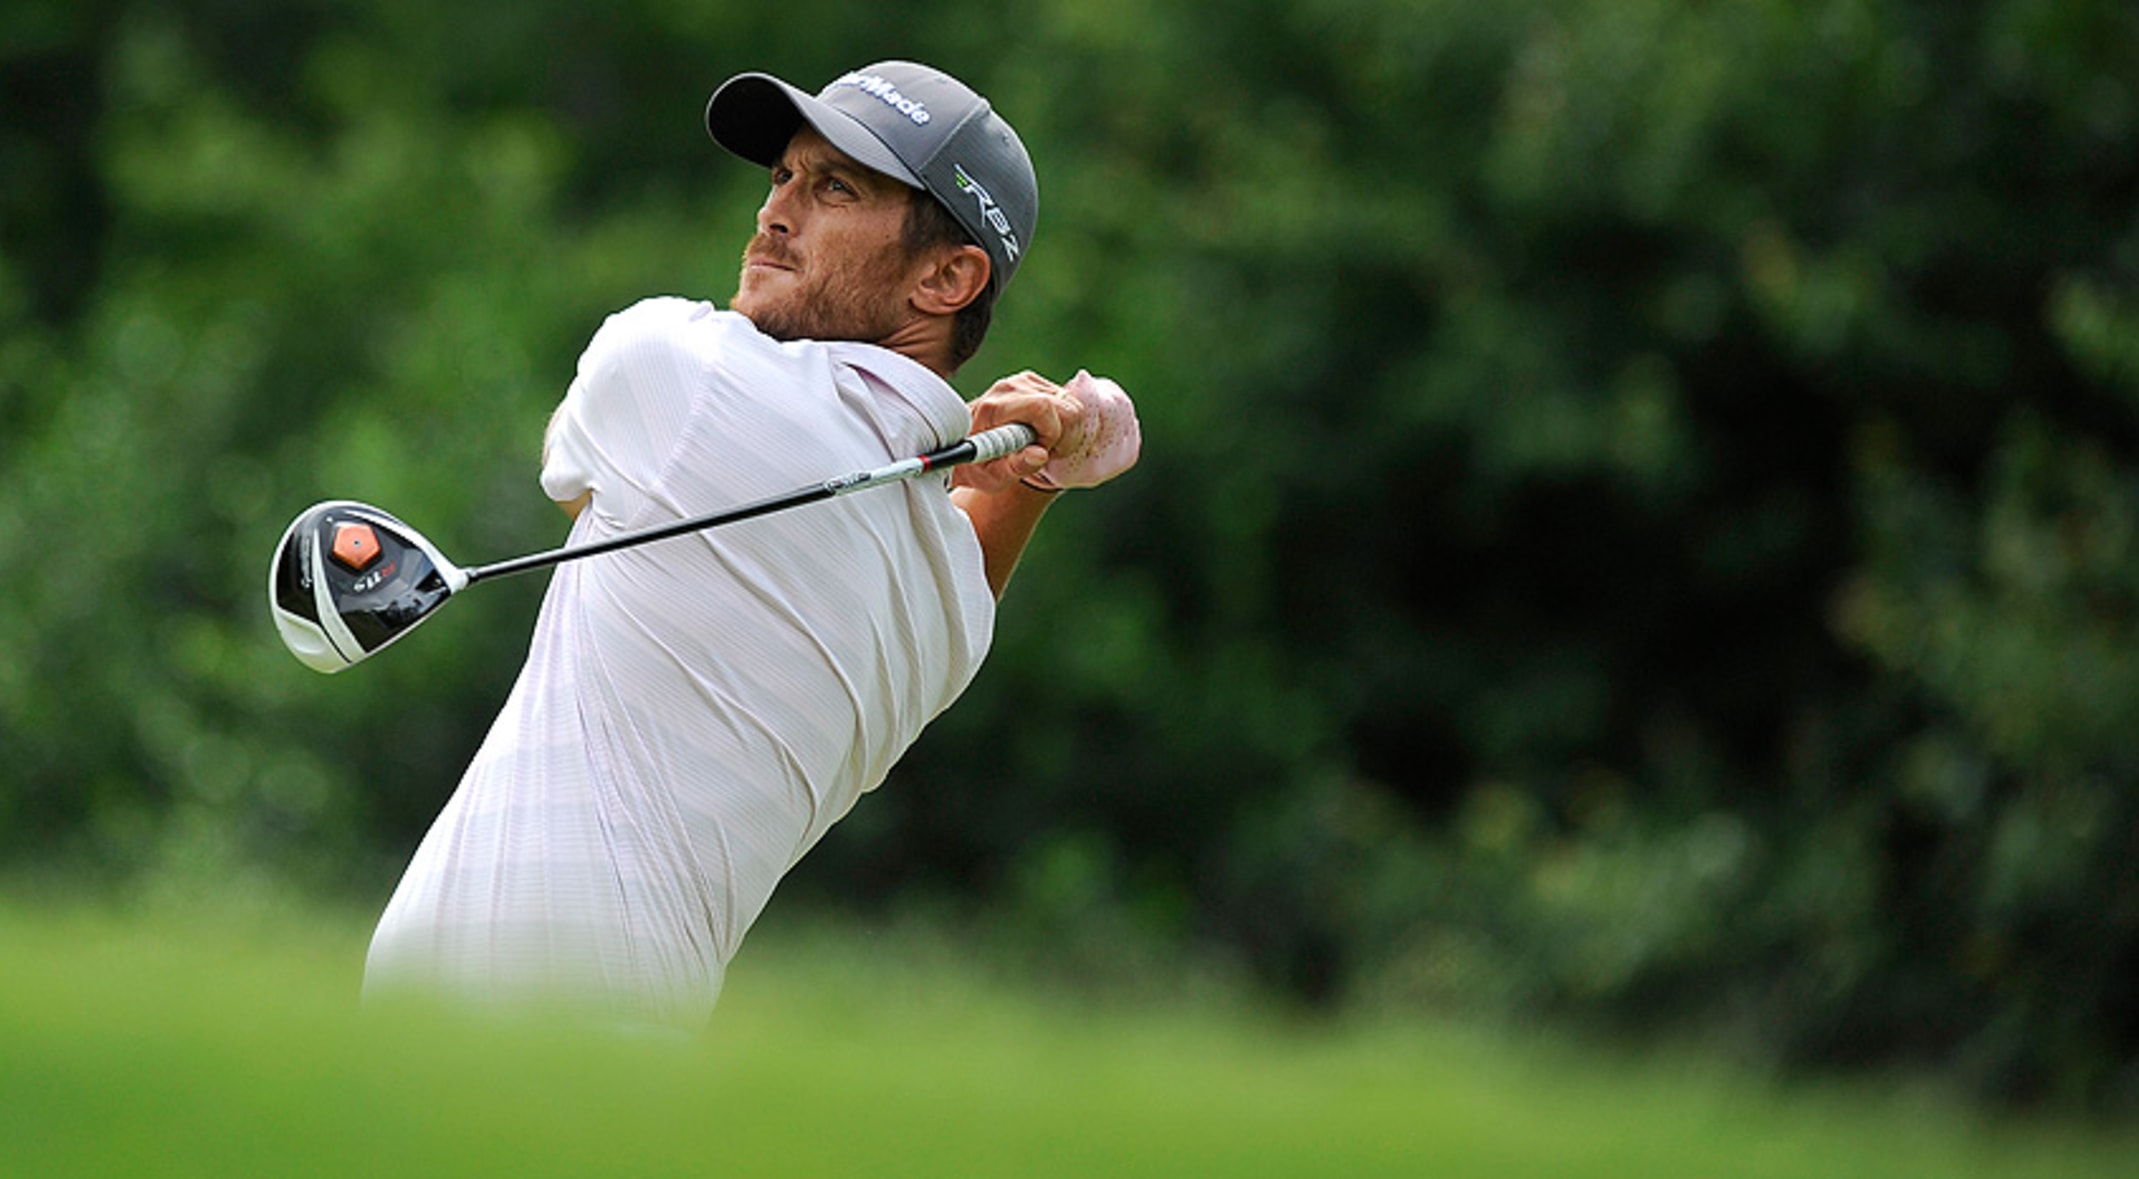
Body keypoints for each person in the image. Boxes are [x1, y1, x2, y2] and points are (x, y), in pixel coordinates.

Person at [361, 61, 1140, 1031]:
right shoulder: (949, 615)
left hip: (496, 1020)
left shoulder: (678, 374)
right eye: (782, 176)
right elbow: (960, 551)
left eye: (835, 188)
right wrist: (1040, 471)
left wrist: (1024, 462)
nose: (775, 214)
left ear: (946, 277)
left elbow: (584, 495)